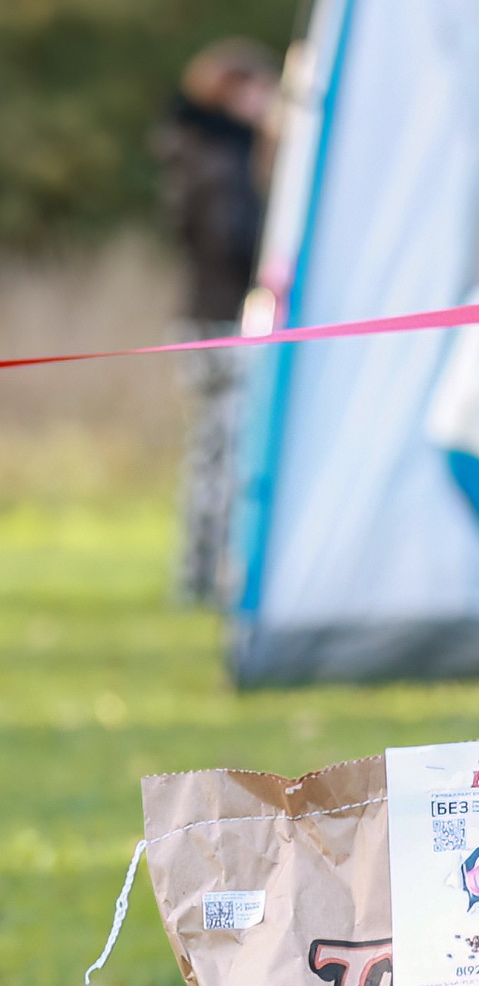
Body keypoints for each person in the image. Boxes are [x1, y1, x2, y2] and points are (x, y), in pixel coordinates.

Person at [153, 37, 280, 604]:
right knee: (224, 456)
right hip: (223, 323)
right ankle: (211, 578)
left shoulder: (191, 151)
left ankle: (198, 575)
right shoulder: (225, 161)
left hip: (197, 320)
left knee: (207, 456)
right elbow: (235, 243)